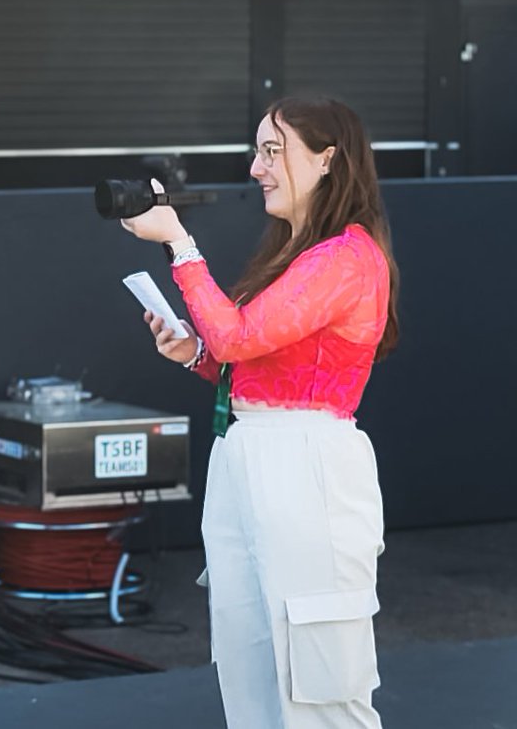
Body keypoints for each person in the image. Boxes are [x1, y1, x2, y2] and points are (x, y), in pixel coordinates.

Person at [121, 96, 399, 728]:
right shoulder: (301, 255)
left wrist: (179, 244)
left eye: (273, 152)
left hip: (308, 467)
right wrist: (193, 353)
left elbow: (240, 338)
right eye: (258, 152)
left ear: (328, 160)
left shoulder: (348, 258)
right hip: (253, 456)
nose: (257, 168)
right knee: (251, 665)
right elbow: (246, 361)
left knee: (320, 677)